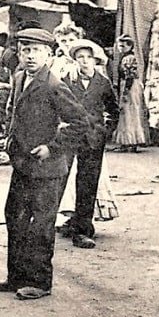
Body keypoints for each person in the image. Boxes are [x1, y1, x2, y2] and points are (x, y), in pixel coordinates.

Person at [0, 28, 86, 301]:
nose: (30, 56)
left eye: (36, 51)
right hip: (22, 164)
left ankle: (40, 281)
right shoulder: (20, 77)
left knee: (41, 225)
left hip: (47, 169)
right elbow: (15, 112)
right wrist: (9, 140)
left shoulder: (54, 85)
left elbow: (80, 123)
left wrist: (52, 147)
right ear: (18, 53)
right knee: (15, 217)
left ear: (48, 54)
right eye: (25, 50)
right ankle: (16, 276)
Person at [57, 39, 119, 249]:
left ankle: (83, 230)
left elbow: (113, 110)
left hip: (93, 138)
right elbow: (56, 105)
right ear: (74, 60)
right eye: (80, 57)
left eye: (88, 57)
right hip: (69, 136)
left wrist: (104, 131)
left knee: (88, 182)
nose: (84, 61)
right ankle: (47, 226)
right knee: (59, 177)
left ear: (96, 60)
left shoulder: (103, 82)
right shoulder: (66, 79)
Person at [112, 34, 149, 152]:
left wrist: (125, 92)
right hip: (130, 85)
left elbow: (129, 76)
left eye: (123, 46)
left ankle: (130, 142)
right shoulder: (127, 57)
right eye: (119, 45)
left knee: (128, 112)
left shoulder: (128, 58)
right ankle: (129, 141)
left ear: (129, 46)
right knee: (129, 113)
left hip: (130, 86)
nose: (120, 48)